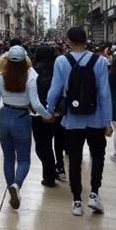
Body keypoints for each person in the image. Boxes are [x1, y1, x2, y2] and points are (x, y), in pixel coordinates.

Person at [46, 27, 113, 217]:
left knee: (74, 159)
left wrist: (49, 110)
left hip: (72, 120)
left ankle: (76, 200)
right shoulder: (100, 61)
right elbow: (104, 93)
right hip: (96, 119)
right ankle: (94, 194)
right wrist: (107, 121)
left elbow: (55, 89)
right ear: (86, 40)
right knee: (97, 156)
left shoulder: (61, 61)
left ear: (68, 41)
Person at [0, 45, 53, 210]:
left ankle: (11, 188)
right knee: (23, 159)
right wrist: (47, 115)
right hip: (22, 118)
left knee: (8, 158)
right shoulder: (30, 76)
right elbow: (36, 104)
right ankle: (17, 184)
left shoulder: (0, 77)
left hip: (3, 117)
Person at [31, 46, 65, 186]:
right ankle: (58, 167)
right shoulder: (59, 70)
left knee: (42, 146)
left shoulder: (33, 72)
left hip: (39, 114)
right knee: (58, 143)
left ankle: (49, 175)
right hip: (59, 113)